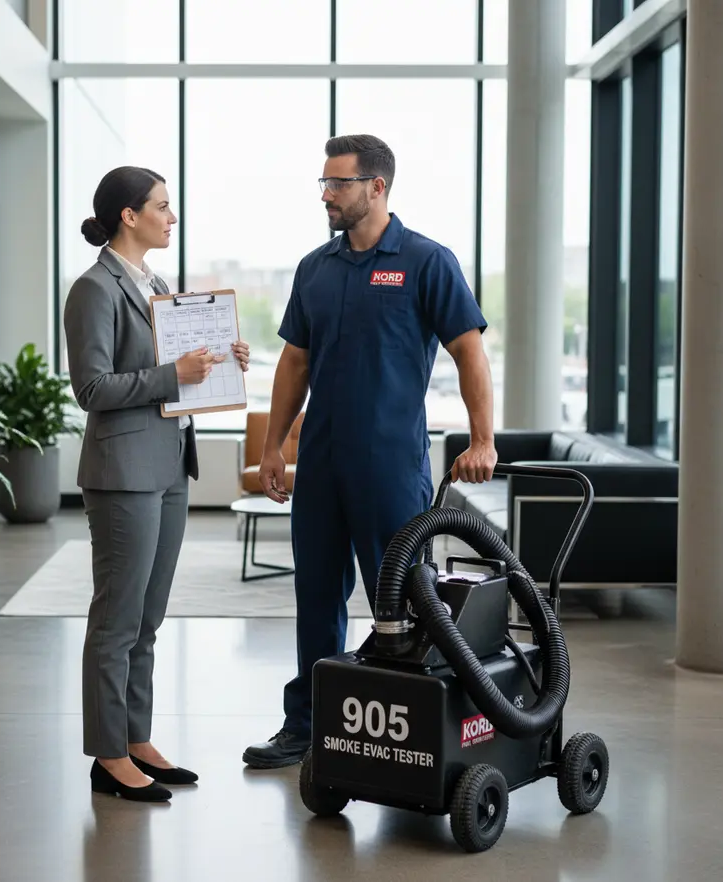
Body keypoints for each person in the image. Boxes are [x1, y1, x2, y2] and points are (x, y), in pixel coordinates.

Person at [242, 135, 497, 769]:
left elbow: (469, 351)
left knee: (405, 601)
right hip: (322, 463)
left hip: (389, 465)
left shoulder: (425, 261)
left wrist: (483, 439)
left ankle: (408, 730)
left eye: (338, 184)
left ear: (376, 187)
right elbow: (295, 361)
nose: (326, 195)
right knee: (316, 595)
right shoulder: (315, 268)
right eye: (324, 183)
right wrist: (274, 445)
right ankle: (307, 723)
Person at [64, 166, 251, 801]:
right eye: (163, 207)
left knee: (147, 617)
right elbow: (91, 389)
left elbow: (175, 366)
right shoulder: (95, 288)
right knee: (116, 619)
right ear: (129, 215)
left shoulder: (157, 282)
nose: (171, 218)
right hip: (123, 475)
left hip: (169, 465)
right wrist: (176, 373)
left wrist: (223, 360)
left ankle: (136, 737)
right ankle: (107, 754)